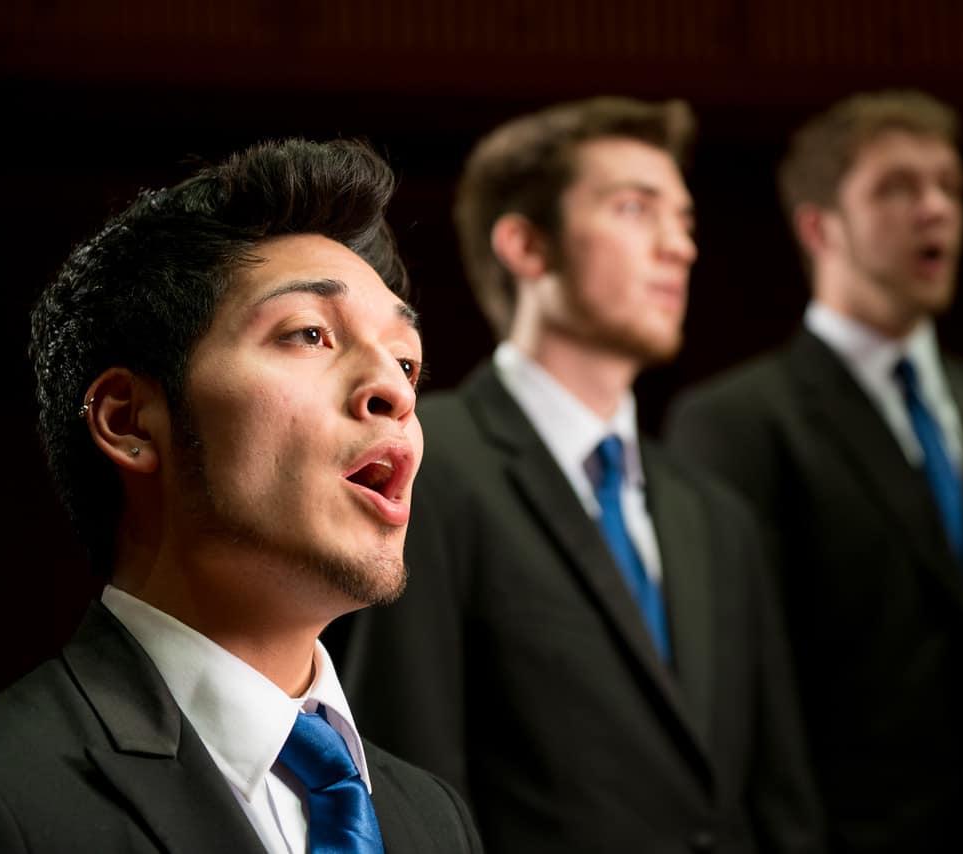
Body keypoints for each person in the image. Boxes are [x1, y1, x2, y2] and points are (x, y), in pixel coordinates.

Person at [0, 139, 482, 853]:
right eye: (310, 333)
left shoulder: (434, 820)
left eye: (406, 360)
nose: (393, 391)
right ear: (129, 421)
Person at [337, 96, 825, 853]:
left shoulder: (716, 514)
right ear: (527, 246)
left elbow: (780, 805)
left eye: (686, 221)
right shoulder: (427, 464)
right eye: (636, 209)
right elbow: (411, 770)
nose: (679, 247)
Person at [666, 90, 963, 854]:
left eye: (950, 186)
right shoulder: (736, 422)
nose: (937, 210)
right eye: (898, 187)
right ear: (819, 226)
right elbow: (741, 694)